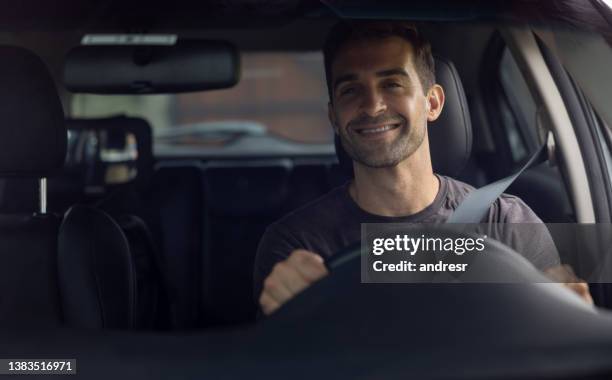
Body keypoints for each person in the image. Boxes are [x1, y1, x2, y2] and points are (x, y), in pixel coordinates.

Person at [254, 20, 592, 316]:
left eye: (392, 84)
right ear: (334, 117)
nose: (372, 106)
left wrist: (570, 315)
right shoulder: (298, 245)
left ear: (432, 103)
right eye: (351, 90)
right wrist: (287, 314)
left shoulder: (505, 223)